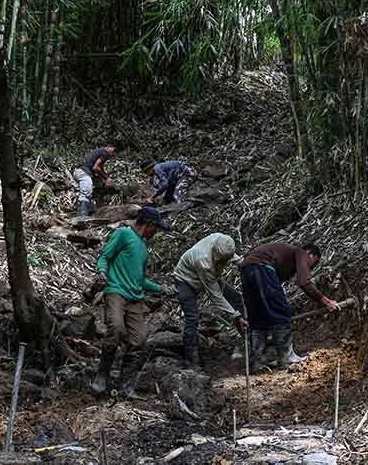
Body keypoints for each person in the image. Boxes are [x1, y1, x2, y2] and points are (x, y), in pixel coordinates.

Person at [90, 206, 169, 398]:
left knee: (140, 339)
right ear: (148, 224)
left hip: (135, 298)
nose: (156, 232)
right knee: (116, 328)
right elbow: (105, 256)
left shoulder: (143, 247)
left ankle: (126, 385)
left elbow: (140, 279)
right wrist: (101, 271)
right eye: (155, 228)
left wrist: (161, 289)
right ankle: (102, 376)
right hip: (116, 290)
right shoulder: (123, 234)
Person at [240, 240, 340, 372]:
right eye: (314, 263)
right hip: (262, 267)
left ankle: (257, 361)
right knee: (281, 310)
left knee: (258, 316)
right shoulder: (301, 252)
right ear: (310, 254)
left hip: (246, 269)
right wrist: (326, 301)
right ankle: (286, 357)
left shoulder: (284, 259)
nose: (311, 268)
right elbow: (304, 282)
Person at [173, 233, 247, 368]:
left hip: (207, 274)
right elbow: (216, 296)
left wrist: (245, 265)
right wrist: (235, 315)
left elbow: (234, 258)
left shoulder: (223, 241)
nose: (225, 264)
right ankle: (191, 360)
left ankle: (247, 337)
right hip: (185, 280)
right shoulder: (204, 262)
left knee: (236, 298)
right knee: (192, 317)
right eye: (222, 261)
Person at [73, 144, 115, 216]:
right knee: (86, 192)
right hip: (84, 173)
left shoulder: (99, 151)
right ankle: (82, 216)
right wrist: (107, 178)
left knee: (99, 187)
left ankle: (93, 210)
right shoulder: (105, 152)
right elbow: (96, 168)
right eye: (113, 151)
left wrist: (104, 179)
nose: (113, 154)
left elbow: (99, 168)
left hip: (81, 171)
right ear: (108, 147)